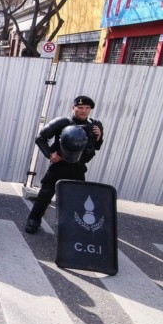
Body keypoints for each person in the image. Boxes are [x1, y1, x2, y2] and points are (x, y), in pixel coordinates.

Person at [25, 95, 104, 234]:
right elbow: (40, 138)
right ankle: (34, 220)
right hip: (59, 167)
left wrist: (99, 137)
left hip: (78, 169)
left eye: (87, 108)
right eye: (80, 107)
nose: (83, 111)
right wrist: (50, 154)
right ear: (73, 107)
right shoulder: (62, 122)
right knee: (45, 195)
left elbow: (95, 147)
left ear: (90, 109)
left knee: (75, 201)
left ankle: (69, 228)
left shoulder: (95, 125)